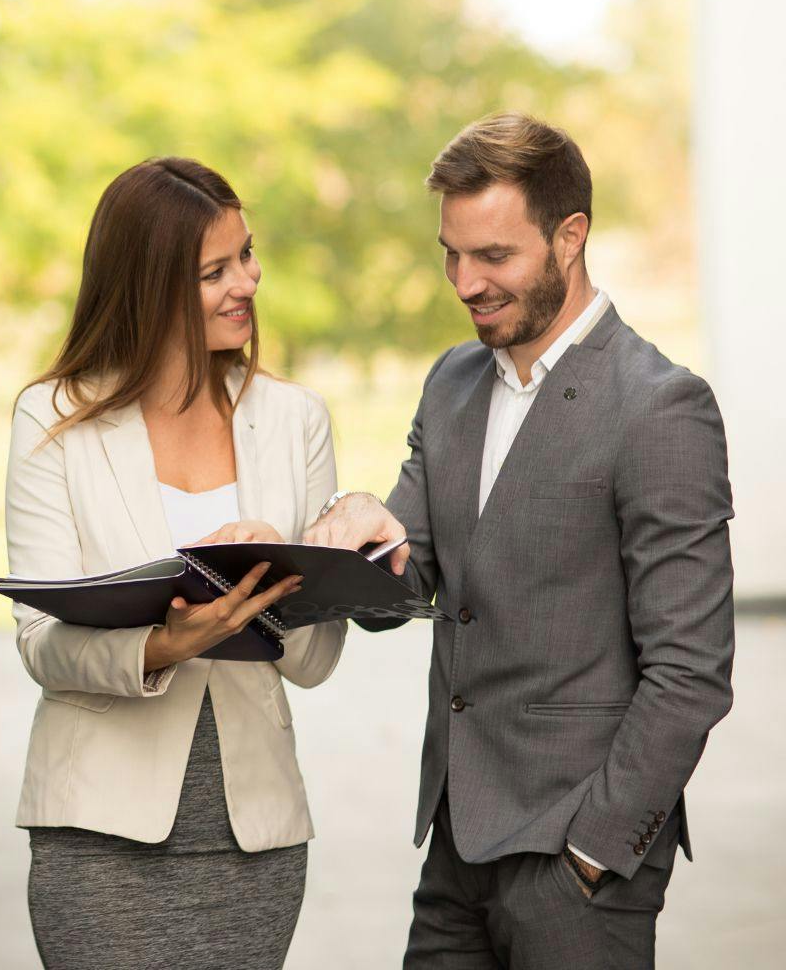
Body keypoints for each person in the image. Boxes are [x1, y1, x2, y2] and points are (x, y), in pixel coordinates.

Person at [303, 113, 735, 969]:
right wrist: (357, 538)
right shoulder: (452, 382)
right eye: (451, 255)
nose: (466, 282)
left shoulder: (660, 407)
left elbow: (690, 672)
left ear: (569, 236)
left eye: (494, 257)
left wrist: (597, 850)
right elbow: (409, 585)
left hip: (580, 865)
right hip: (457, 844)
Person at [4, 156, 347, 970]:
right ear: (149, 286)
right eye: (214, 271)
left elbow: (317, 660)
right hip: (97, 837)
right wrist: (164, 645)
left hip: (252, 841)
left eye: (247, 256)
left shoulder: (295, 420)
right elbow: (40, 645)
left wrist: (277, 576)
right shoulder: (53, 421)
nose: (248, 283)